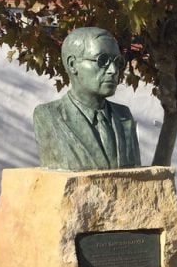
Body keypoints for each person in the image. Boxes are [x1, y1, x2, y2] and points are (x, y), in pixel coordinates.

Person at [32, 26, 142, 170]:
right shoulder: (49, 116)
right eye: (102, 61)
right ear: (72, 65)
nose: (114, 70)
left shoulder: (124, 116)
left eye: (117, 62)